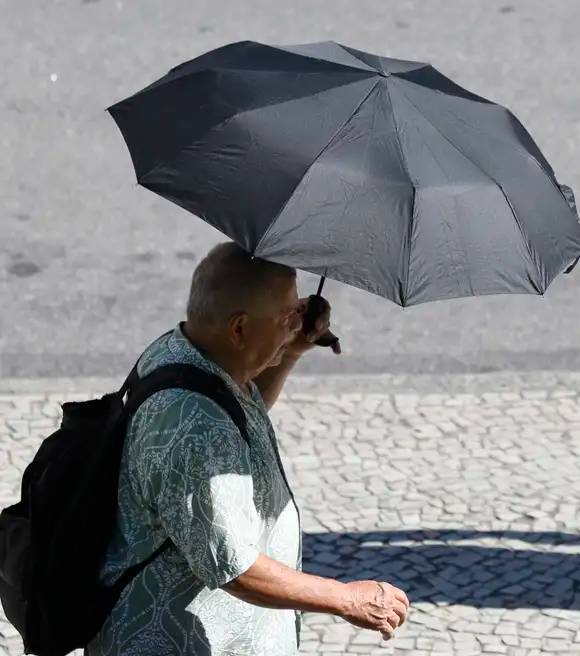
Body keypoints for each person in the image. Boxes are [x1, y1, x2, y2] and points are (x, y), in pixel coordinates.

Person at [88, 243, 409, 655]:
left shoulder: (189, 354)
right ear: (239, 329)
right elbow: (234, 568)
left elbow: (243, 418)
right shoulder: (194, 424)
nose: (298, 323)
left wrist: (289, 348)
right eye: (288, 317)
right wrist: (346, 598)